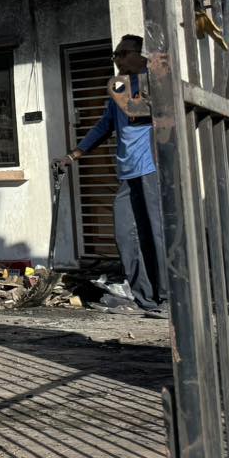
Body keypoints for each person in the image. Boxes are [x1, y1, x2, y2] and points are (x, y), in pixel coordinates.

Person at [58, 34, 167, 312]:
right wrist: (73, 155)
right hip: (128, 173)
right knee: (125, 235)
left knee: (154, 234)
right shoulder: (119, 88)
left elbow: (153, 114)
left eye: (121, 54)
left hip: (151, 170)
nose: (116, 60)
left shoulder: (155, 80)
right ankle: (146, 299)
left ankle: (166, 298)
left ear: (138, 54)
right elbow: (104, 126)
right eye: (114, 55)